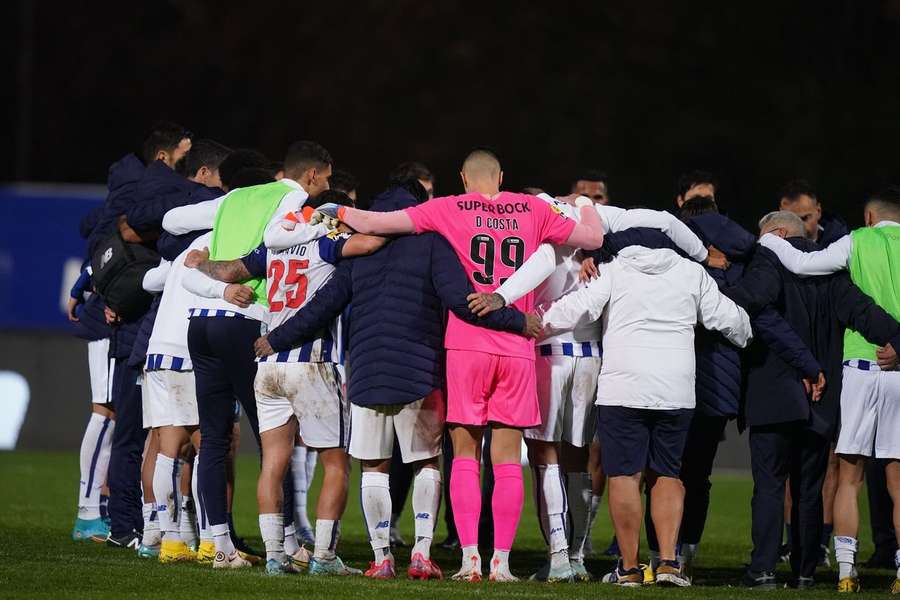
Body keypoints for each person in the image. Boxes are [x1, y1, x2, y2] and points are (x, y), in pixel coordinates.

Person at [315, 148, 604, 581]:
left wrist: (336, 208)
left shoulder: (448, 208)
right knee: (507, 460)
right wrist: (584, 204)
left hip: (465, 344)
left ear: (464, 179)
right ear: (501, 176)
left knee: (465, 455)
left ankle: (470, 560)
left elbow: (375, 224)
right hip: (516, 345)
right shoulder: (531, 208)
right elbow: (593, 239)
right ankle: (501, 564)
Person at [256, 177, 538, 580]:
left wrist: (275, 339)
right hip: (420, 372)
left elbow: (322, 306)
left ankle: (381, 558)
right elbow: (461, 301)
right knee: (426, 462)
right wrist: (516, 319)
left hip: (367, 371)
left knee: (374, 466)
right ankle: (422, 553)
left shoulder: (360, 248)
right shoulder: (432, 243)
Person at [470, 191, 713, 582]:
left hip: (548, 351)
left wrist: (500, 299)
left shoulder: (542, 236)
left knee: (544, 456)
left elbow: (530, 275)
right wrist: (703, 255)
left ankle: (561, 556)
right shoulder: (600, 228)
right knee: (581, 459)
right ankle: (580, 555)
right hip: (592, 356)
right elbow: (664, 221)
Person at [536, 242, 752, 588]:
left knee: (625, 476)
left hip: (623, 388)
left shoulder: (615, 269)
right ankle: (667, 563)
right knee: (667, 474)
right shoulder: (690, 271)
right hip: (675, 388)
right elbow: (728, 318)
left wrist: (535, 323)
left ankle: (630, 568)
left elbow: (580, 307)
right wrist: (746, 332)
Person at [162, 140, 333, 569]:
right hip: (245, 320)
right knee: (272, 440)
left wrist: (210, 273)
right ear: (311, 176)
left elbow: (171, 219)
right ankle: (288, 544)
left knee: (214, 439)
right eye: (326, 178)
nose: (324, 187)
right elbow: (274, 250)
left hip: (201, 321)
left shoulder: (231, 198)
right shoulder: (291, 197)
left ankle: (219, 547)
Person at [727, 210, 900, 590]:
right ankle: (805, 571)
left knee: (771, 485)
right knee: (809, 489)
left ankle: (763, 568)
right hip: (822, 399)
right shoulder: (833, 276)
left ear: (778, 233)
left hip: (774, 393)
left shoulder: (767, 264)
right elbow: (865, 314)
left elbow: (751, 305)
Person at [778, 179, 849, 248]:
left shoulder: (843, 244)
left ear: (818, 211)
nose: (797, 227)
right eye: (790, 220)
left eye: (804, 218)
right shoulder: (771, 246)